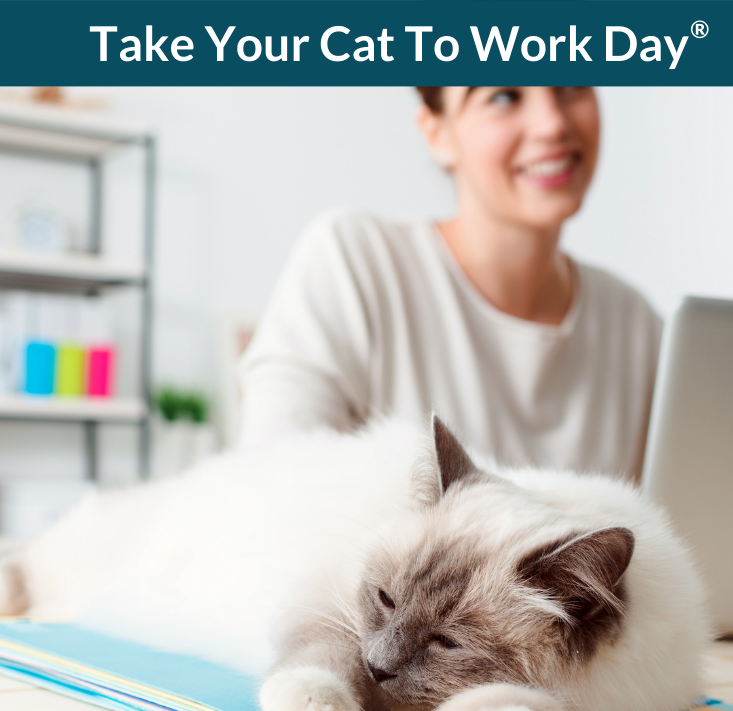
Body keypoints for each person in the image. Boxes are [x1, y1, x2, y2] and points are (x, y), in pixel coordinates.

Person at [237, 87, 661, 481]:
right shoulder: (354, 264)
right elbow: (271, 493)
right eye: (504, 95)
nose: (552, 123)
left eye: (572, 83)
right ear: (437, 133)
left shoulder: (638, 328)